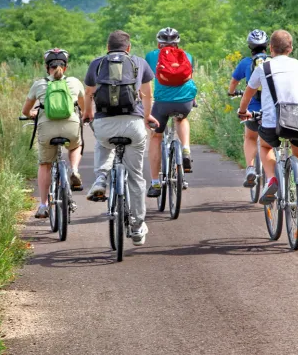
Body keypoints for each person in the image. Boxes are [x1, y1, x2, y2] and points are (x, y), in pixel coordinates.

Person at [84, 30, 158, 246]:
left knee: (103, 144)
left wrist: (88, 114)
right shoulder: (139, 62)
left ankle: (101, 178)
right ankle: (137, 227)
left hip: (105, 123)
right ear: (128, 48)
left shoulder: (97, 64)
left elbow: (89, 92)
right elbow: (148, 94)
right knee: (135, 177)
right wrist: (147, 116)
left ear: (107, 47)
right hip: (133, 124)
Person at [237, 30, 298, 218]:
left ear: (271, 48)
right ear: (291, 48)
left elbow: (248, 94)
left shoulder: (262, 68)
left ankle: (272, 178)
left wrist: (242, 112)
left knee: (264, 146)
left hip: (272, 122)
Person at [21, 48, 85, 219]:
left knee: (45, 164)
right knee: (76, 145)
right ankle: (74, 170)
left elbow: (26, 110)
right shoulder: (74, 82)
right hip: (70, 127)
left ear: (46, 66)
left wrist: (31, 114)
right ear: (65, 67)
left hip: (47, 129)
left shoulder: (39, 84)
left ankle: (43, 205)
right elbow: (83, 107)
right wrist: (85, 116)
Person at [145, 27, 197, 198]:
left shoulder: (152, 56)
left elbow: (146, 82)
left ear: (159, 42)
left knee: (156, 136)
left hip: (162, 104)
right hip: (185, 102)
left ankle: (155, 183)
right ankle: (186, 149)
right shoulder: (187, 56)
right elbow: (189, 79)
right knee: (181, 120)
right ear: (177, 42)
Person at [228, 29, 269, 187]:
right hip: (270, 109)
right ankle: (273, 174)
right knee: (269, 144)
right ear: (266, 45)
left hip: (252, 109)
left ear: (250, 46)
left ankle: (251, 167)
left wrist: (232, 93)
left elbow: (233, 82)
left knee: (250, 137)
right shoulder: (273, 61)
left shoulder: (245, 63)